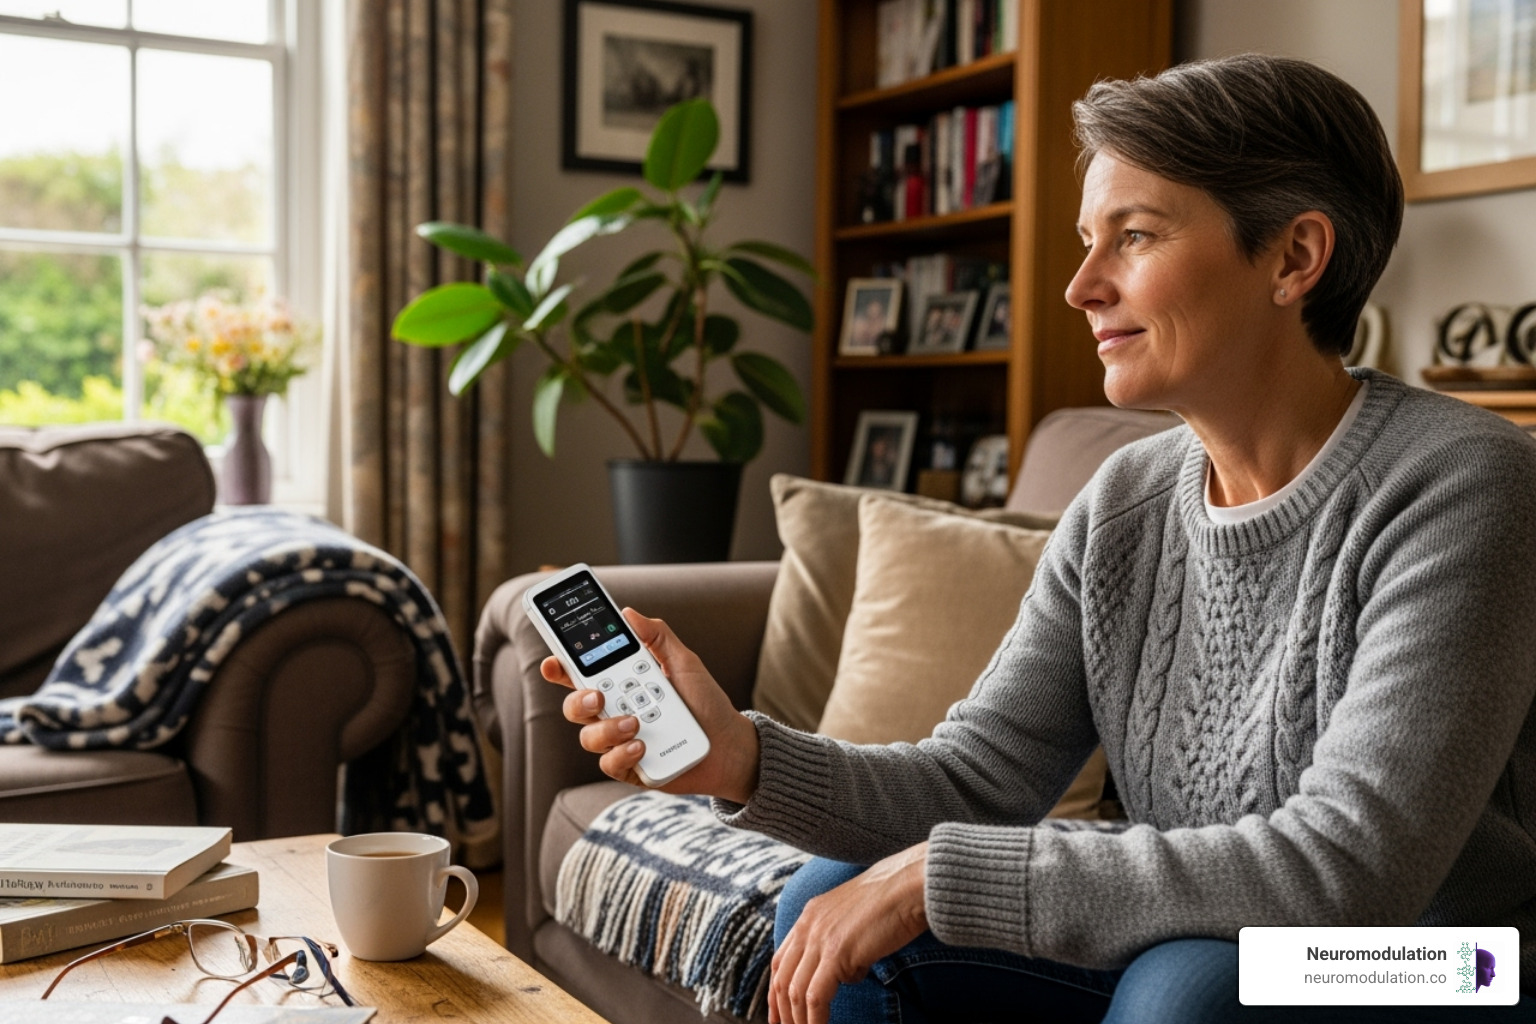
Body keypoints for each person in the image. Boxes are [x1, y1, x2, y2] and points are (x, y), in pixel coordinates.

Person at [545, 54, 1536, 1023]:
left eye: (1134, 237)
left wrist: (945, 872)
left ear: (1294, 257)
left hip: (1449, 954)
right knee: (829, 897)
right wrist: (738, 759)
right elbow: (972, 780)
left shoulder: (1463, 484)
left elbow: (1344, 869)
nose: (1081, 286)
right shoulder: (1127, 501)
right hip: (1213, 928)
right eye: (1085, 240)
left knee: (1186, 990)